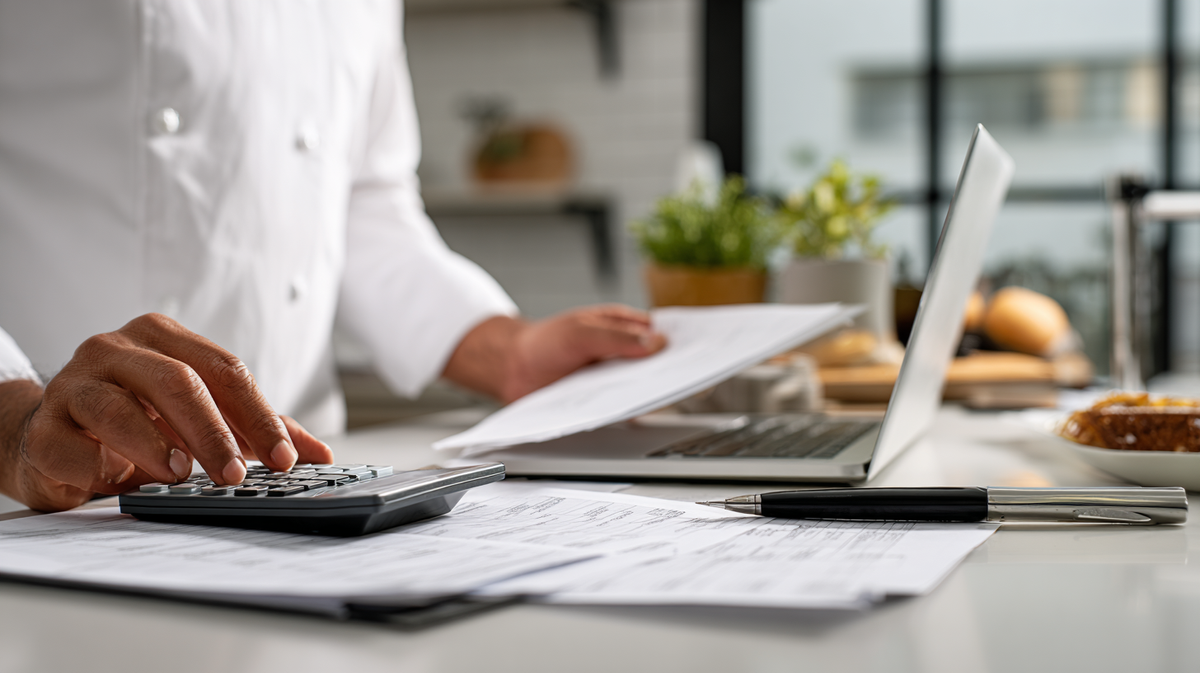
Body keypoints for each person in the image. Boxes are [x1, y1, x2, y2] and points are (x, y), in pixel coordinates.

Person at [0, 0, 666, 512]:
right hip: (48, 496)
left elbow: (363, 201)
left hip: (304, 484)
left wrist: (506, 350)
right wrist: (14, 425)